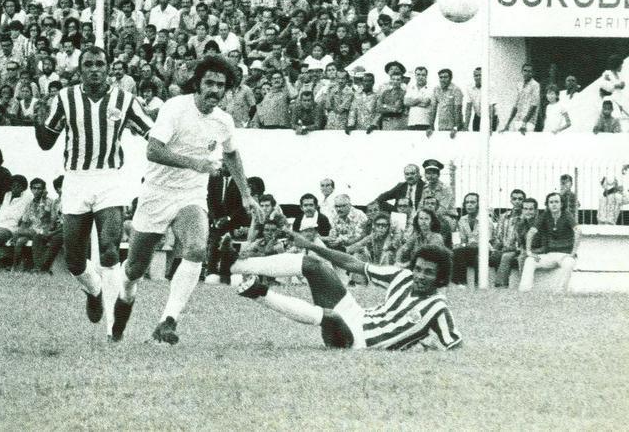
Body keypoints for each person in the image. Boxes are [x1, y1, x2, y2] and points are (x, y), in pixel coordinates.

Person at [112, 54, 255, 345]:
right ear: (198, 83)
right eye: (209, 83)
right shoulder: (175, 108)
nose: (214, 90)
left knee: (196, 248)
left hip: (191, 195)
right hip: (156, 193)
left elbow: (230, 154)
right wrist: (196, 163)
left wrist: (246, 193)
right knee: (134, 269)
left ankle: (167, 321)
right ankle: (124, 300)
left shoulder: (223, 121)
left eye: (221, 85)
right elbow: (153, 150)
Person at [34, 45, 153, 333]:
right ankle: (94, 290)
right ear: (80, 69)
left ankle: (114, 328)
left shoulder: (125, 100)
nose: (95, 69)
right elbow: (46, 142)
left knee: (110, 250)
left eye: (100, 64)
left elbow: (153, 133)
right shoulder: (65, 97)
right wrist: (38, 116)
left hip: (110, 178)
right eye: (88, 64)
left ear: (108, 67)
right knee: (75, 258)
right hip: (76, 178)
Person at [226, 229, 461, 350]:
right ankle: (233, 264)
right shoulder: (403, 276)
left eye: (428, 272)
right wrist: (310, 246)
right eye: (418, 269)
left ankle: (258, 292)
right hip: (357, 314)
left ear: (440, 278)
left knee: (332, 318)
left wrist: (426, 345)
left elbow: (455, 345)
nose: (420, 275)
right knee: (315, 264)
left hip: (358, 341)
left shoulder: (437, 308)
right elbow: (352, 264)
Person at [519, 192, 578, 293]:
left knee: (569, 263)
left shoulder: (566, 215)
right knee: (530, 260)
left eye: (556, 202)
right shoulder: (545, 215)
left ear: (561, 204)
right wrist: (529, 251)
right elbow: (531, 232)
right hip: (549, 255)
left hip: (565, 255)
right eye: (551, 202)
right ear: (547, 204)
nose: (554, 204)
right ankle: (524, 291)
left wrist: (573, 253)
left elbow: (578, 231)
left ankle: (560, 293)